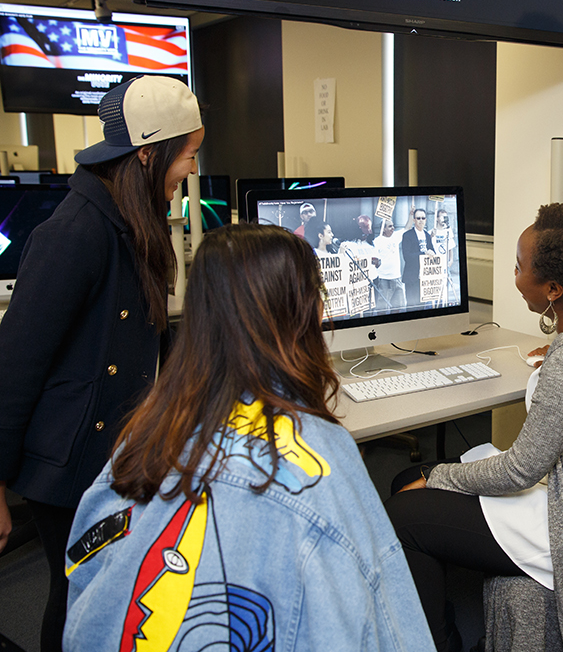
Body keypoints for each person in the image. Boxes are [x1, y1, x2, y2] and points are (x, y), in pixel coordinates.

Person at [63, 224, 435, 651]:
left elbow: (85, 574)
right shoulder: (318, 459)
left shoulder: (143, 434)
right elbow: (381, 608)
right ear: (306, 314)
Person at [385, 203, 563, 652]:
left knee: (403, 515)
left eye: (518, 268)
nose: (513, 277)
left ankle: (438, 643)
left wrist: (435, 477)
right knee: (404, 479)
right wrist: (557, 357)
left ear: (553, 288)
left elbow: (517, 472)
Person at [0, 76, 203, 652]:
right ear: (147, 154)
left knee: (111, 595)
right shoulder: (72, 234)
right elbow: (13, 368)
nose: (189, 170)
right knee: (79, 601)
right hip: (67, 465)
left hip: (114, 449)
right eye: (185, 156)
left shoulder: (132, 219)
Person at [401, 206, 436, 306]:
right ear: (414, 220)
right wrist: (423, 254)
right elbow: (406, 256)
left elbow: (432, 250)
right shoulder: (407, 235)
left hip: (425, 277)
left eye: (423, 218)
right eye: (418, 218)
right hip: (412, 277)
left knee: (423, 306)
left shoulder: (427, 235)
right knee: (413, 306)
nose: (421, 220)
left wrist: (432, 253)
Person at [373, 216, 407, 311]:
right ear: (383, 229)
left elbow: (407, 228)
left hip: (396, 277)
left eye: (393, 226)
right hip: (384, 279)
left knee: (397, 306)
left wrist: (410, 215)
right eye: (390, 226)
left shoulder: (395, 237)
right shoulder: (377, 241)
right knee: (382, 307)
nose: (393, 228)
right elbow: (375, 261)